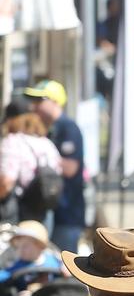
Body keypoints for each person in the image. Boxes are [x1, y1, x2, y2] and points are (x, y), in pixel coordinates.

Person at [23, 80, 85, 252]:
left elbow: (71, 168)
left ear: (55, 102)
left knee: (63, 270)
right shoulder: (46, 129)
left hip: (66, 215)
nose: (34, 107)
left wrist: (41, 157)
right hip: (46, 213)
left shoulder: (68, 128)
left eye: (39, 101)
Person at [0, 96, 62, 224]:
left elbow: (6, 182)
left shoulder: (12, 142)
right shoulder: (46, 144)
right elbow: (58, 170)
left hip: (21, 214)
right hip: (45, 215)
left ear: (12, 120)